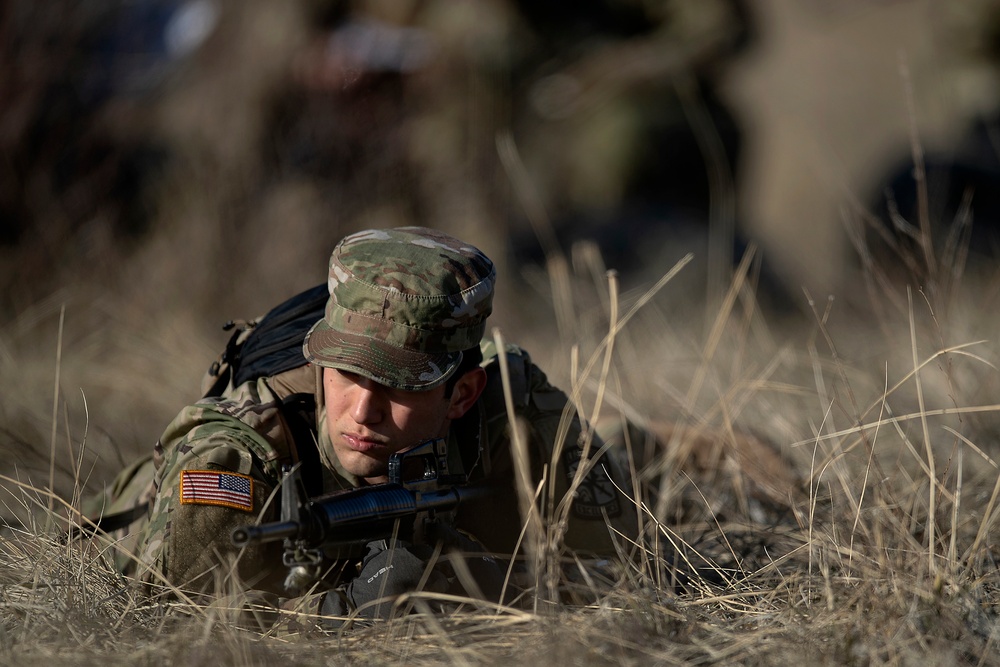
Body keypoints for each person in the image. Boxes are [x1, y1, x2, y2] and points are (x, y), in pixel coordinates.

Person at [91, 226, 638, 624]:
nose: (363, 410)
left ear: (462, 394)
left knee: (635, 448)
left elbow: (629, 575)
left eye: (401, 386)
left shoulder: (514, 407)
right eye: (346, 375)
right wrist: (339, 611)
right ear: (320, 362)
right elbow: (170, 622)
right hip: (122, 529)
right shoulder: (239, 454)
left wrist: (491, 583)